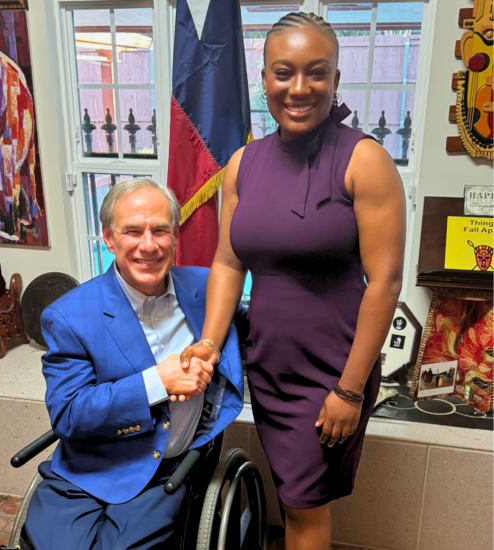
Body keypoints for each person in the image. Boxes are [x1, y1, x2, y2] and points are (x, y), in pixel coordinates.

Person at [180, 12, 405, 550]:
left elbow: (386, 283)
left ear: (335, 79)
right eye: (283, 72)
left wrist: (350, 390)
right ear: (263, 79)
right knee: (292, 499)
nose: (299, 88)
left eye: (316, 73)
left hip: (331, 371)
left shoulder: (364, 160)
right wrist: (209, 343)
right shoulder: (242, 164)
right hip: (270, 362)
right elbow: (230, 262)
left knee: (303, 512)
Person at [21, 178, 245, 549]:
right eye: (132, 231)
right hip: (87, 469)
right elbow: (68, 414)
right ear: (109, 239)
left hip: (163, 470)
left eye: (160, 230)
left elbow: (266, 327)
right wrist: (158, 382)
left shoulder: (208, 290)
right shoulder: (69, 316)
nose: (148, 245)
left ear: (175, 236)